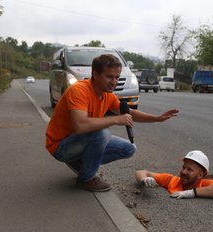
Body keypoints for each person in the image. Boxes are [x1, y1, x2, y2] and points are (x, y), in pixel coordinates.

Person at [45, 54, 179, 192]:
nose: (114, 82)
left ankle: (82, 163)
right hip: (60, 146)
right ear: (96, 74)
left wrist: (157, 118)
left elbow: (129, 112)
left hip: (79, 142)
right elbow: (80, 126)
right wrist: (115, 119)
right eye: (109, 77)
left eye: (117, 77)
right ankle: (86, 179)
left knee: (129, 149)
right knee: (102, 133)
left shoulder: (107, 95)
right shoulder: (79, 90)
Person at [135, 150, 213, 199]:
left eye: (189, 170)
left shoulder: (204, 184)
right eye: (183, 167)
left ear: (201, 174)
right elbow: (141, 172)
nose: (183, 172)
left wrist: (191, 193)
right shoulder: (172, 180)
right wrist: (144, 179)